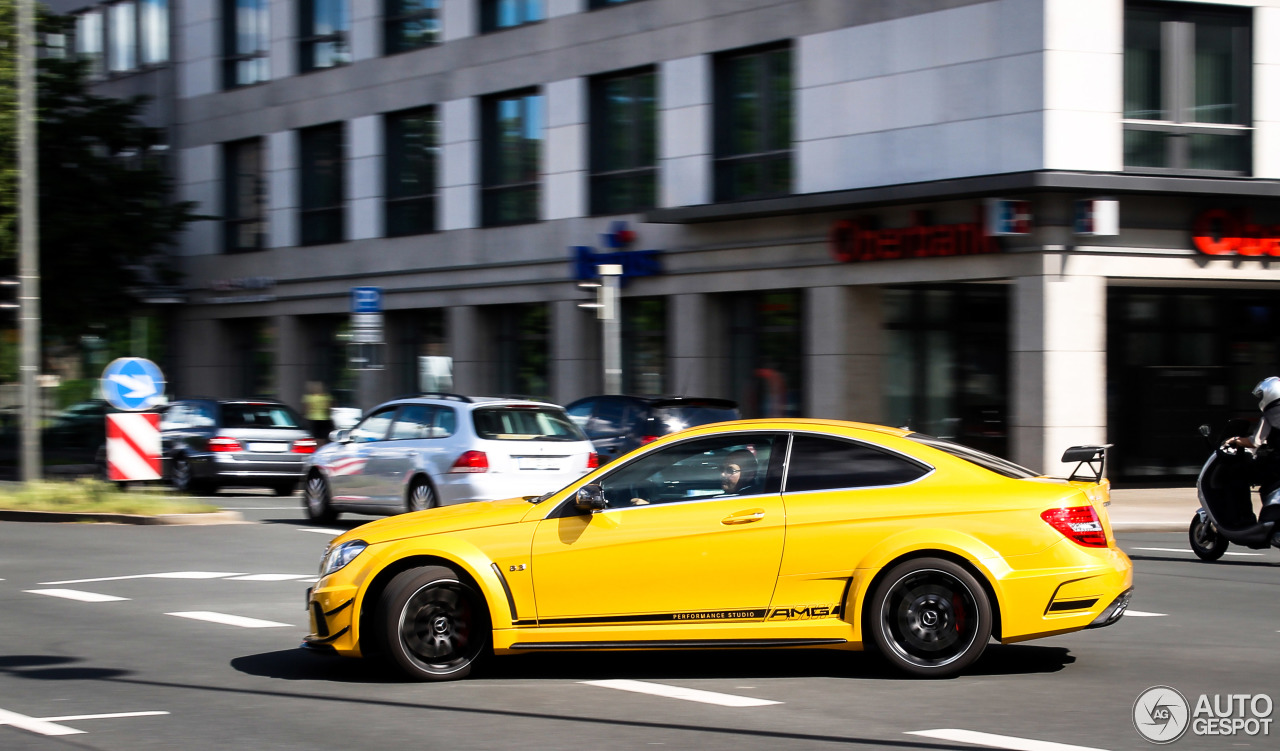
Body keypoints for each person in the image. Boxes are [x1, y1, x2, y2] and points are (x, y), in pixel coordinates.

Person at [1223, 376, 1280, 545]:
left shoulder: (1270, 415)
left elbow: (1255, 442)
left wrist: (1234, 440)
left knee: (1238, 475)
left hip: (1277, 465)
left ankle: (1245, 520)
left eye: (1262, 395)